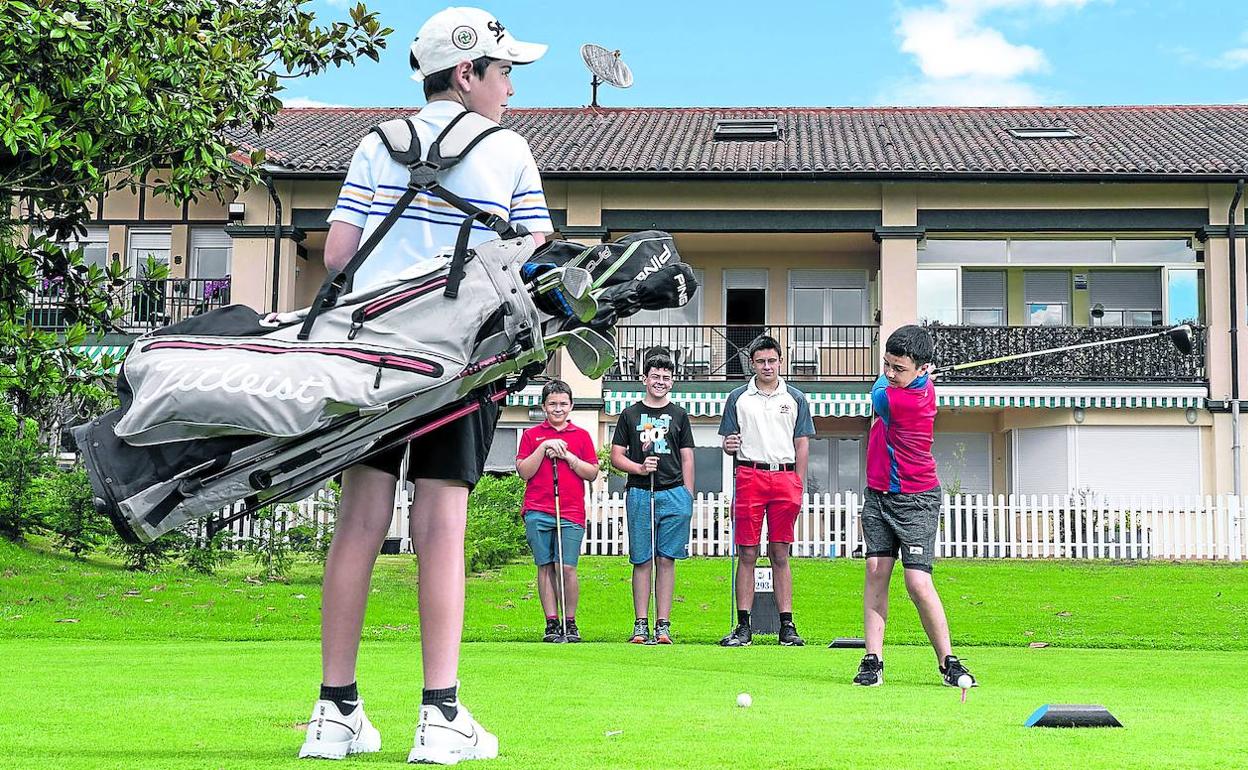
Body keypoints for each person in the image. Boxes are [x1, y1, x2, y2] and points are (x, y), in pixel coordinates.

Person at [298, 7, 552, 764]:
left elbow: (339, 252)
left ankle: (334, 714)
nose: (511, 88)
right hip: (459, 358)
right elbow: (530, 251)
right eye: (505, 72)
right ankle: (440, 717)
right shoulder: (507, 148)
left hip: (373, 355)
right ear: (468, 71)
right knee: (442, 525)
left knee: (359, 523)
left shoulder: (377, 142)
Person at [852, 325, 977, 689]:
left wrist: (900, 380)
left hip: (916, 498)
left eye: (899, 368)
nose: (890, 373)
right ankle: (872, 660)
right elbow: (895, 377)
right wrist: (914, 374)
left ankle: (948, 661)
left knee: (917, 581)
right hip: (878, 494)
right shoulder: (917, 383)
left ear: (922, 369)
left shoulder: (896, 399)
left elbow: (877, 389)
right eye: (887, 365)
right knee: (876, 569)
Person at [718, 336, 814, 647]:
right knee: (747, 551)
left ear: (780, 361)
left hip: (784, 477)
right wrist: (727, 444)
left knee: (780, 552)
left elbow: (802, 444)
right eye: (761, 361)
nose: (767, 366)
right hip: (749, 473)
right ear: (752, 363)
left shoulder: (796, 398)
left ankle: (786, 624)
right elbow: (729, 440)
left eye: (772, 361)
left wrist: (798, 483)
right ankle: (743, 625)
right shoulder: (738, 397)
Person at [610, 351, 695, 644]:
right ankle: (640, 624)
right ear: (644, 379)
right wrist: (639, 467)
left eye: (666, 378)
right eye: (655, 377)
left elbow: (687, 457)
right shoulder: (630, 414)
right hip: (640, 493)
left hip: (673, 493)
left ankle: (663, 625)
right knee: (642, 559)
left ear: (672, 381)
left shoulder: (679, 415)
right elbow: (616, 456)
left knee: (666, 559)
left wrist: (687, 495)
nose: (660, 382)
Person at [516, 379, 599, 643]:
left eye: (563, 404)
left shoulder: (581, 436)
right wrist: (543, 448)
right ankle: (551, 622)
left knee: (566, 567)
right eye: (553, 404)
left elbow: (592, 472)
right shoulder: (531, 436)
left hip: (571, 511)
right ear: (544, 406)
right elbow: (524, 471)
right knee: (545, 566)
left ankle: (570, 622)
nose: (558, 409)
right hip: (538, 508)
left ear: (571, 406)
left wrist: (569, 458)